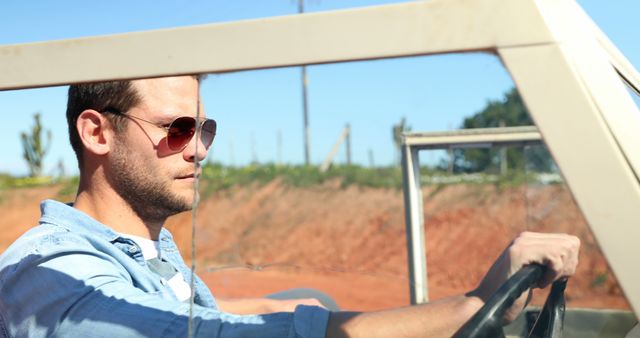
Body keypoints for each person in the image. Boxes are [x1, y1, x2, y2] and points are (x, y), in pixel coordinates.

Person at [0, 75, 580, 337]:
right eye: (176, 129)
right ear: (97, 133)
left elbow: (191, 306)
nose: (198, 150)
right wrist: (469, 307)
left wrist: (298, 302)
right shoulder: (53, 277)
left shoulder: (143, 246)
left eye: (205, 129)